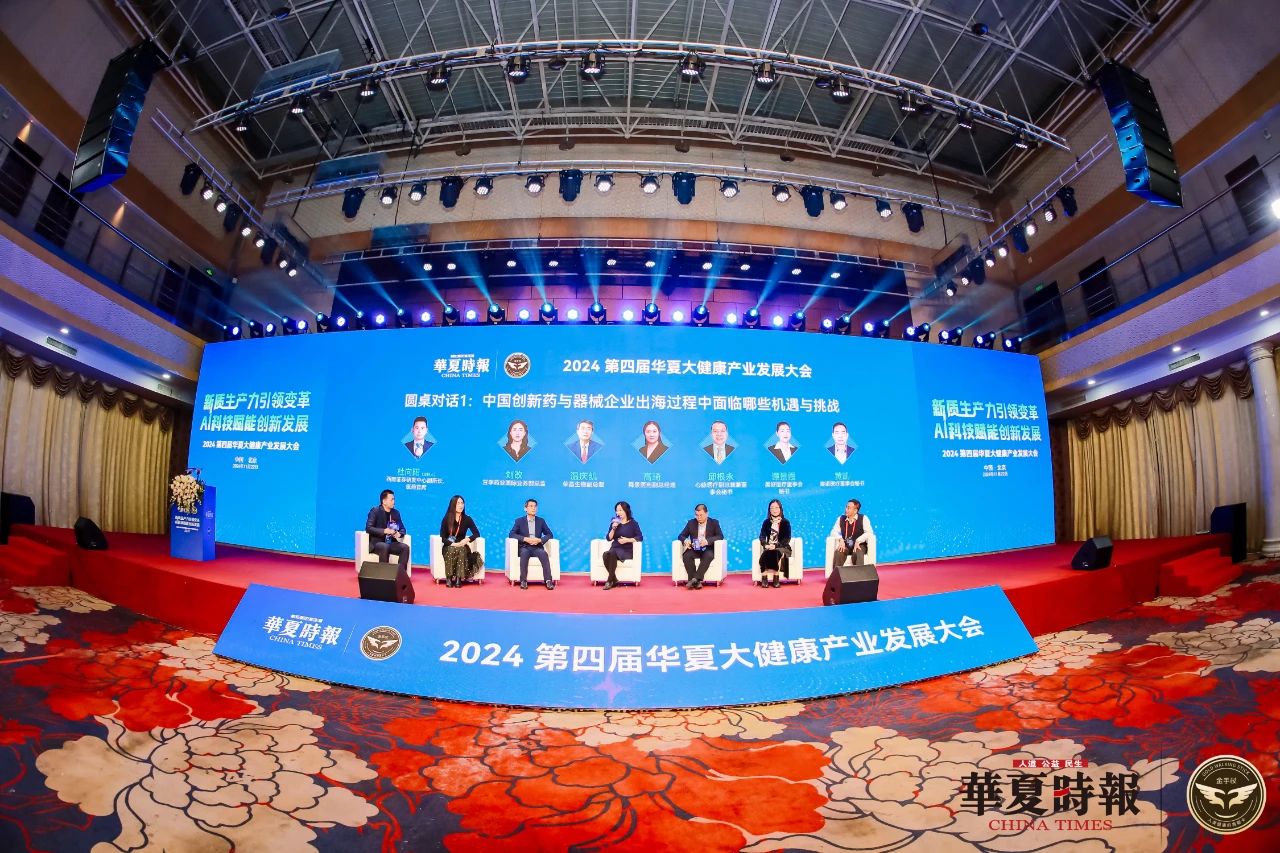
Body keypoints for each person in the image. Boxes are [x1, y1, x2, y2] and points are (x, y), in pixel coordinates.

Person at [508, 498, 554, 590]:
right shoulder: (519, 521)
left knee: (544, 554)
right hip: (524, 547)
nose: (533, 508)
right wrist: (525, 539)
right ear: (525, 508)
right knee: (524, 554)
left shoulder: (541, 521)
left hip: (537, 547)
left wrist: (540, 540)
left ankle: (548, 580)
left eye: (535, 506)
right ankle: (523, 581)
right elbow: (511, 534)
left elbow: (550, 534)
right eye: (531, 506)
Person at [677, 503, 724, 589]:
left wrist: (707, 541)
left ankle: (694, 580)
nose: (698, 517)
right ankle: (695, 582)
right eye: (697, 515)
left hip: (707, 548)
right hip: (695, 548)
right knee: (686, 555)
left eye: (701, 515)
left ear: (707, 513)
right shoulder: (691, 523)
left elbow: (720, 536)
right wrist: (686, 540)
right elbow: (681, 536)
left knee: (709, 555)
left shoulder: (714, 523)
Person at [438, 494, 482, 587]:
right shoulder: (446, 518)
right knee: (451, 550)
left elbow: (477, 533)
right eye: (458, 503)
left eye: (462, 503)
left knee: (461, 549)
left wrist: (467, 539)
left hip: (462, 545)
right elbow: (442, 537)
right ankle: (449, 578)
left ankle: (458, 579)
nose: (461, 505)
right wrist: (453, 544)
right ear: (453, 504)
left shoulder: (467, 519)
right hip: (449, 545)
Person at [601, 500, 643, 590]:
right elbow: (608, 538)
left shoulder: (633, 524)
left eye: (620, 510)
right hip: (614, 548)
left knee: (610, 553)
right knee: (606, 554)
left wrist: (627, 540)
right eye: (617, 510)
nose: (618, 512)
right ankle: (614, 580)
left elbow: (640, 537)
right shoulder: (614, 522)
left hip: (626, 550)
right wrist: (613, 528)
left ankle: (609, 581)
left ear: (626, 511)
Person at [365, 489, 410, 565]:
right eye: (391, 500)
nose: (394, 502)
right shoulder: (375, 511)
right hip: (377, 543)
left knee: (405, 547)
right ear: (384, 501)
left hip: (391, 542)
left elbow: (402, 529)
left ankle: (400, 571)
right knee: (385, 546)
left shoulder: (396, 513)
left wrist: (399, 534)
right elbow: (369, 528)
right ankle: (383, 571)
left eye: (394, 499)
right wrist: (384, 531)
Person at [758, 499, 793, 588]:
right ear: (769, 510)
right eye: (772, 508)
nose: (774, 510)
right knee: (767, 552)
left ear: (780, 509)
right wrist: (765, 544)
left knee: (775, 552)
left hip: (783, 547)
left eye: (776, 507)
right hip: (769, 546)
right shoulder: (766, 522)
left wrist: (775, 545)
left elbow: (787, 539)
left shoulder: (785, 522)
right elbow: (762, 536)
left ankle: (776, 577)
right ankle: (764, 577)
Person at [830, 498, 873, 568]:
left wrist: (858, 540)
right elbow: (833, 531)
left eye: (848, 508)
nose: (846, 509)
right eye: (846, 507)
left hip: (859, 545)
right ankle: (836, 574)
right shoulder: (841, 518)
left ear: (855, 510)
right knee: (839, 552)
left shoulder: (863, 518)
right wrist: (840, 539)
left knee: (858, 552)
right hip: (846, 545)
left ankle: (859, 574)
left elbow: (869, 532)